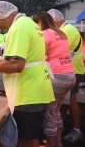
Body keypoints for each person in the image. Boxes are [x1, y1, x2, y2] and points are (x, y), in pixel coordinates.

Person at [0, 1, 55, 147]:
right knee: (30, 136)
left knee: (25, 139)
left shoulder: (18, 27)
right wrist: (2, 59)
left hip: (28, 93)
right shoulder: (28, 22)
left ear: (4, 14)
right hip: (37, 88)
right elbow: (26, 57)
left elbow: (16, 65)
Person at [33, 12, 76, 147]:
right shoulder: (62, 34)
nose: (37, 26)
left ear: (42, 22)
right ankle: (58, 142)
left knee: (49, 113)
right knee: (56, 111)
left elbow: (42, 55)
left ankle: (50, 145)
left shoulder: (46, 33)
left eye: (37, 23)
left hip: (56, 77)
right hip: (69, 75)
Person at [48, 9, 84, 143]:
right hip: (70, 70)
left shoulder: (66, 31)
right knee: (62, 104)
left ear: (55, 21)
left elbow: (54, 50)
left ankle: (77, 130)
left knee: (71, 101)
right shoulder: (67, 29)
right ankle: (59, 129)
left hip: (72, 70)